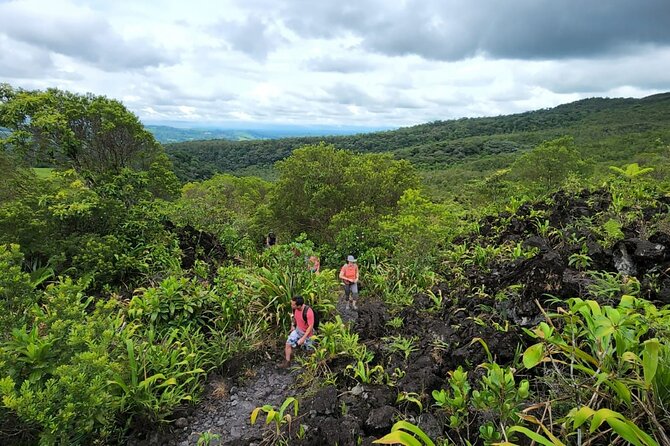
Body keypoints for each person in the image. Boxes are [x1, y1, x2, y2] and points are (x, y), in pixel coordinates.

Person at [279, 295, 315, 368]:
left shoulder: (308, 312)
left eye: (293, 304)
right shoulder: (294, 309)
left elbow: (310, 326)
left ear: (299, 305)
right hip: (298, 330)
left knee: (310, 351)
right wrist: (292, 325)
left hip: (308, 335)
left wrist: (303, 338)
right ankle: (287, 362)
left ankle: (309, 367)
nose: (291, 305)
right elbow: (294, 317)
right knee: (288, 344)